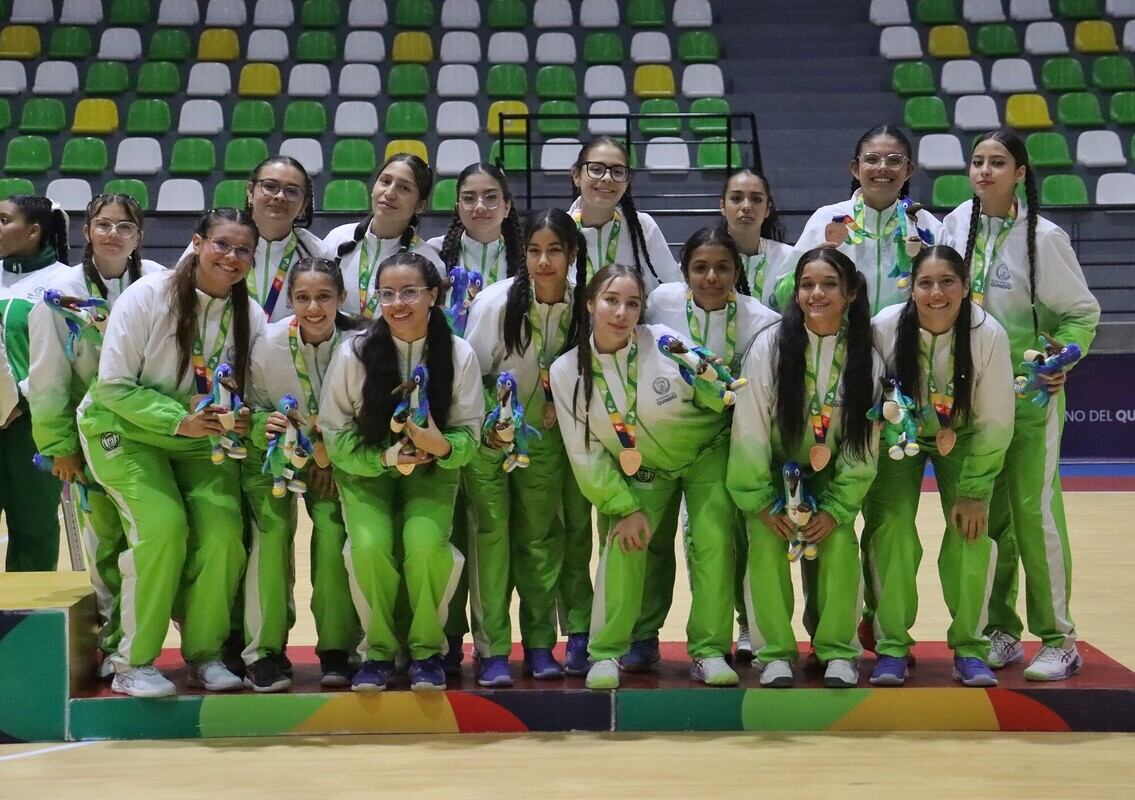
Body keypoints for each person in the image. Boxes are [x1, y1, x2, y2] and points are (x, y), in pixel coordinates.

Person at [78, 208, 265, 697]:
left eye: (243, 249)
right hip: (124, 430)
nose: (231, 256)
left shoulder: (251, 314)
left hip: (199, 437)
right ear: (197, 242)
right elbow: (114, 386)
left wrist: (243, 416)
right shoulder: (147, 296)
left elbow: (250, 391)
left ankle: (204, 656)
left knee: (224, 533)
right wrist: (178, 419)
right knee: (163, 528)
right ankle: (131, 661)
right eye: (222, 244)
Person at [941, 129, 1100, 681]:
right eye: (978, 161)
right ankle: (1000, 630)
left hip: (1031, 399)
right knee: (991, 520)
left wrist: (1061, 361)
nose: (985, 171)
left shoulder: (1047, 236)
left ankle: (1060, 638)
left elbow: (1081, 314)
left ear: (1020, 173)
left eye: (998, 162)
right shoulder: (954, 224)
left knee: (1034, 516)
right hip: (971, 403)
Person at [550, 264, 739, 690]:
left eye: (632, 303)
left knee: (711, 541)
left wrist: (712, 380)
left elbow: (719, 400)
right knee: (625, 541)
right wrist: (624, 506)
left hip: (705, 454)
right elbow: (585, 451)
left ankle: (709, 650)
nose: (621, 312)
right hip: (646, 470)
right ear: (589, 305)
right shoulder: (566, 372)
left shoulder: (666, 344)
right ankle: (606, 652)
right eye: (611, 301)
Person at [320, 252, 483, 692]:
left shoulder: (459, 354)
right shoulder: (353, 352)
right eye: (387, 294)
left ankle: (427, 652)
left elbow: (471, 434)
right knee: (369, 547)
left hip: (433, 470)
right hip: (366, 470)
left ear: (433, 296)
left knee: (426, 545)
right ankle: (377, 651)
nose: (398, 303)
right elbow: (334, 435)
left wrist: (442, 446)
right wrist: (386, 458)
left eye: (410, 292)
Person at [728, 247, 881, 689]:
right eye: (807, 285)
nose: (816, 293)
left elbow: (863, 444)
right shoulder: (770, 346)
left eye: (829, 284)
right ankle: (773, 652)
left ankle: (837, 649)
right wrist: (760, 503)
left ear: (850, 293)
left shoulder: (864, 356)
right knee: (765, 539)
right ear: (795, 293)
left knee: (837, 543)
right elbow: (750, 428)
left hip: (832, 478)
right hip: (772, 475)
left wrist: (837, 506)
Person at [863, 245, 1014, 687]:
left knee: (971, 530)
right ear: (911, 289)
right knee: (890, 527)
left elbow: (995, 420)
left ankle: (970, 646)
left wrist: (974, 490)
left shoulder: (988, 335)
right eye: (925, 283)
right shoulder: (884, 329)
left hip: (964, 434)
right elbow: (870, 406)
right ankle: (891, 645)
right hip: (898, 436)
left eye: (948, 281)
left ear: (966, 287)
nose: (936, 293)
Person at [27, 193, 163, 666]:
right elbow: (46, 381)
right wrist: (59, 447)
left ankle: (152, 640)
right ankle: (111, 641)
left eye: (125, 227)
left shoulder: (158, 285)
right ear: (87, 231)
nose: (113, 235)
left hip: (153, 432)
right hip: (90, 440)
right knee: (106, 543)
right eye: (104, 225)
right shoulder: (57, 293)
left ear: (139, 236)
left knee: (154, 543)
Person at [462, 209, 593, 685]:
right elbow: (467, 374)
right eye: (534, 251)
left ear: (572, 254)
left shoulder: (585, 307)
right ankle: (493, 650)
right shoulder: (497, 305)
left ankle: (540, 644)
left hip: (544, 442)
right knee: (492, 543)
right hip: (488, 443)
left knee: (540, 541)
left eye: (554, 250)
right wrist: (490, 425)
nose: (543, 261)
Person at [643, 226, 780, 664]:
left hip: (727, 442)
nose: (711, 277)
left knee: (717, 540)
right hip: (663, 437)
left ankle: (716, 642)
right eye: (700, 268)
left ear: (737, 270)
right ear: (684, 273)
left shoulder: (763, 321)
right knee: (651, 542)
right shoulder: (659, 303)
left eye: (722, 267)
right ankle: (640, 635)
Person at [241, 257, 364, 691]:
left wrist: (332, 455)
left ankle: (338, 648)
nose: (313, 308)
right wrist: (263, 426)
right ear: (290, 300)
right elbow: (251, 410)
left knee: (333, 533)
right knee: (270, 535)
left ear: (341, 298)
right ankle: (265, 651)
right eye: (303, 298)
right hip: (275, 459)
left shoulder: (361, 342)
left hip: (336, 463)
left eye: (324, 297)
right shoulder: (267, 345)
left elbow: (368, 414)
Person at [781, 126, 942, 314]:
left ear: (909, 170)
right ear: (855, 169)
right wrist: (807, 266)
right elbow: (781, 295)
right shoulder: (826, 219)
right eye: (872, 159)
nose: (882, 167)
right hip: (841, 339)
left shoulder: (927, 226)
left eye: (894, 161)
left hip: (904, 338)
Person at [0, 195, 71, 571]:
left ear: (33, 231)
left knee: (33, 529)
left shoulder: (63, 282)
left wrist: (17, 399)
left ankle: (24, 627)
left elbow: (66, 355)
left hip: (33, 425)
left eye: (3, 219)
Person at [176, 157, 328, 322]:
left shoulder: (316, 252)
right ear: (250, 191)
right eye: (270, 186)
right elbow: (177, 296)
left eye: (292, 191)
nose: (279, 196)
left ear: (304, 203)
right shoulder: (214, 242)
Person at [325, 154, 444, 319]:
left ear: (420, 206)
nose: (389, 193)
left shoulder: (428, 262)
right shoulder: (337, 239)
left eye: (404, 188)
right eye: (385, 181)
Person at [568, 137, 681, 292]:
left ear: (627, 182)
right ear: (576, 175)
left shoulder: (644, 226)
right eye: (596, 169)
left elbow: (675, 286)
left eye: (618, 172)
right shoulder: (558, 229)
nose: (607, 178)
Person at [428, 162, 525, 292]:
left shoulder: (526, 255)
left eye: (491, 197)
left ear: (507, 207)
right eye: (469, 198)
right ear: (458, 209)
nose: (480, 207)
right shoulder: (436, 251)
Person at [719, 168, 793, 310]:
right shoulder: (702, 258)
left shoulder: (789, 259)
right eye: (736, 198)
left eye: (756, 199)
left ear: (767, 209)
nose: (746, 206)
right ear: (722, 206)